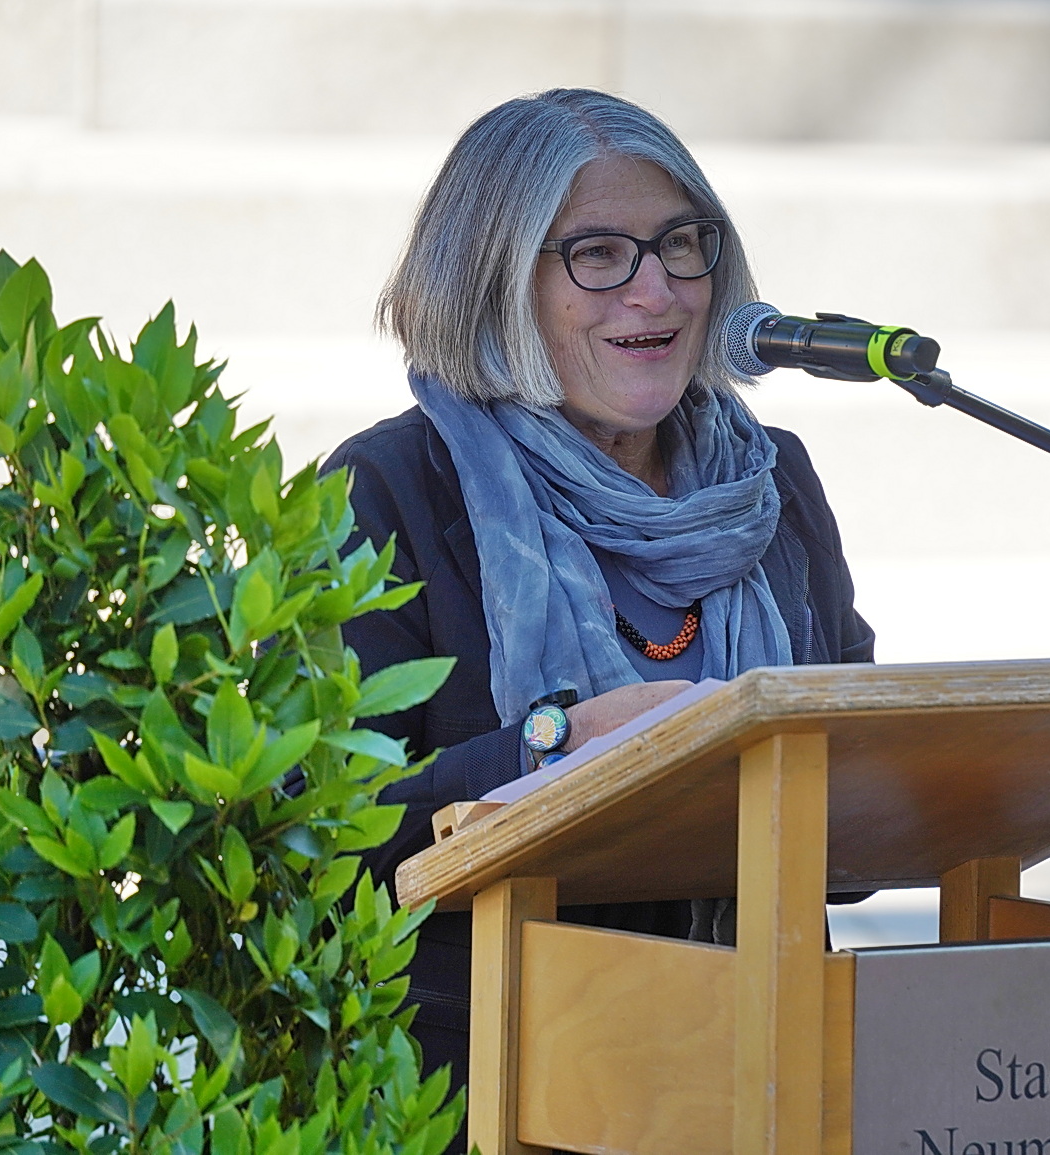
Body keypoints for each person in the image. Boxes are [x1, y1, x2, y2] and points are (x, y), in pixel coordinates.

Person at [322, 88, 875, 1150]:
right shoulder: (387, 492)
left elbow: (850, 813)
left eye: (682, 244)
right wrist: (554, 745)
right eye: (599, 255)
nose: (656, 290)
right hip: (485, 1075)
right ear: (495, 279)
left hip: (765, 1060)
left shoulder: (773, 481)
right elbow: (327, 830)